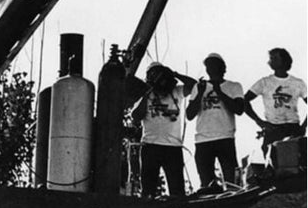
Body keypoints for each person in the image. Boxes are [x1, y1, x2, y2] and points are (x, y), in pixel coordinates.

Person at [131, 62, 195, 198]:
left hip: (173, 147)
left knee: (177, 191)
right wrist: (148, 93)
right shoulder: (146, 96)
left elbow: (193, 85)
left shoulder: (177, 91)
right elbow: (135, 116)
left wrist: (175, 74)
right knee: (148, 190)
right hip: (151, 145)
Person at [186, 53, 244, 190]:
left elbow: (239, 109)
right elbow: (189, 115)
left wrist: (219, 92)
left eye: (214, 65)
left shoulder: (234, 86)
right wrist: (200, 93)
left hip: (225, 137)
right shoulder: (199, 87)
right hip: (203, 140)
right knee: (207, 184)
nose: (210, 69)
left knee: (232, 183)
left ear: (223, 68)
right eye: (208, 66)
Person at [244, 48, 307, 155]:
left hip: (293, 128)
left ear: (284, 60)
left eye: (275, 58)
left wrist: (304, 126)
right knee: (274, 165)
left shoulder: (298, 83)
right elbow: (244, 101)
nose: (271, 61)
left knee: (296, 165)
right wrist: (259, 121)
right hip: (273, 128)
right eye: (271, 58)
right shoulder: (265, 82)